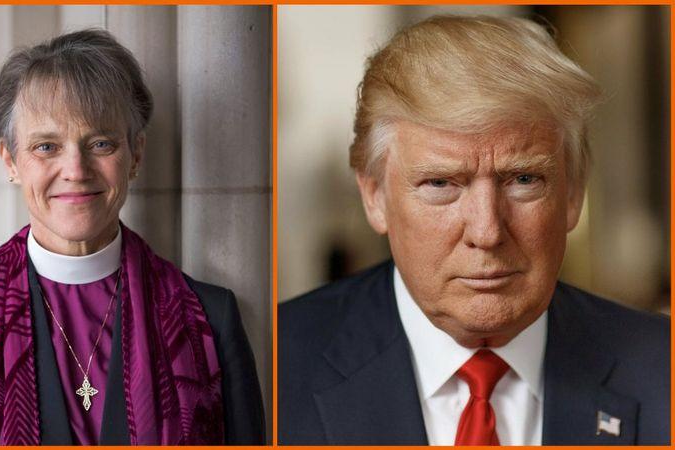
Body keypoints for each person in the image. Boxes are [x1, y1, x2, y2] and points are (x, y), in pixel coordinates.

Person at [278, 15, 669, 445]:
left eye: (523, 180)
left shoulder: (661, 369)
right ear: (375, 196)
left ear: (574, 192)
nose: (487, 232)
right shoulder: (272, 366)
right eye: (441, 184)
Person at [0, 29, 265, 445]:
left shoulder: (212, 318)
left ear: (135, 155)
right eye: (46, 147)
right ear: (10, 160)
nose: (76, 169)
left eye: (101, 143)